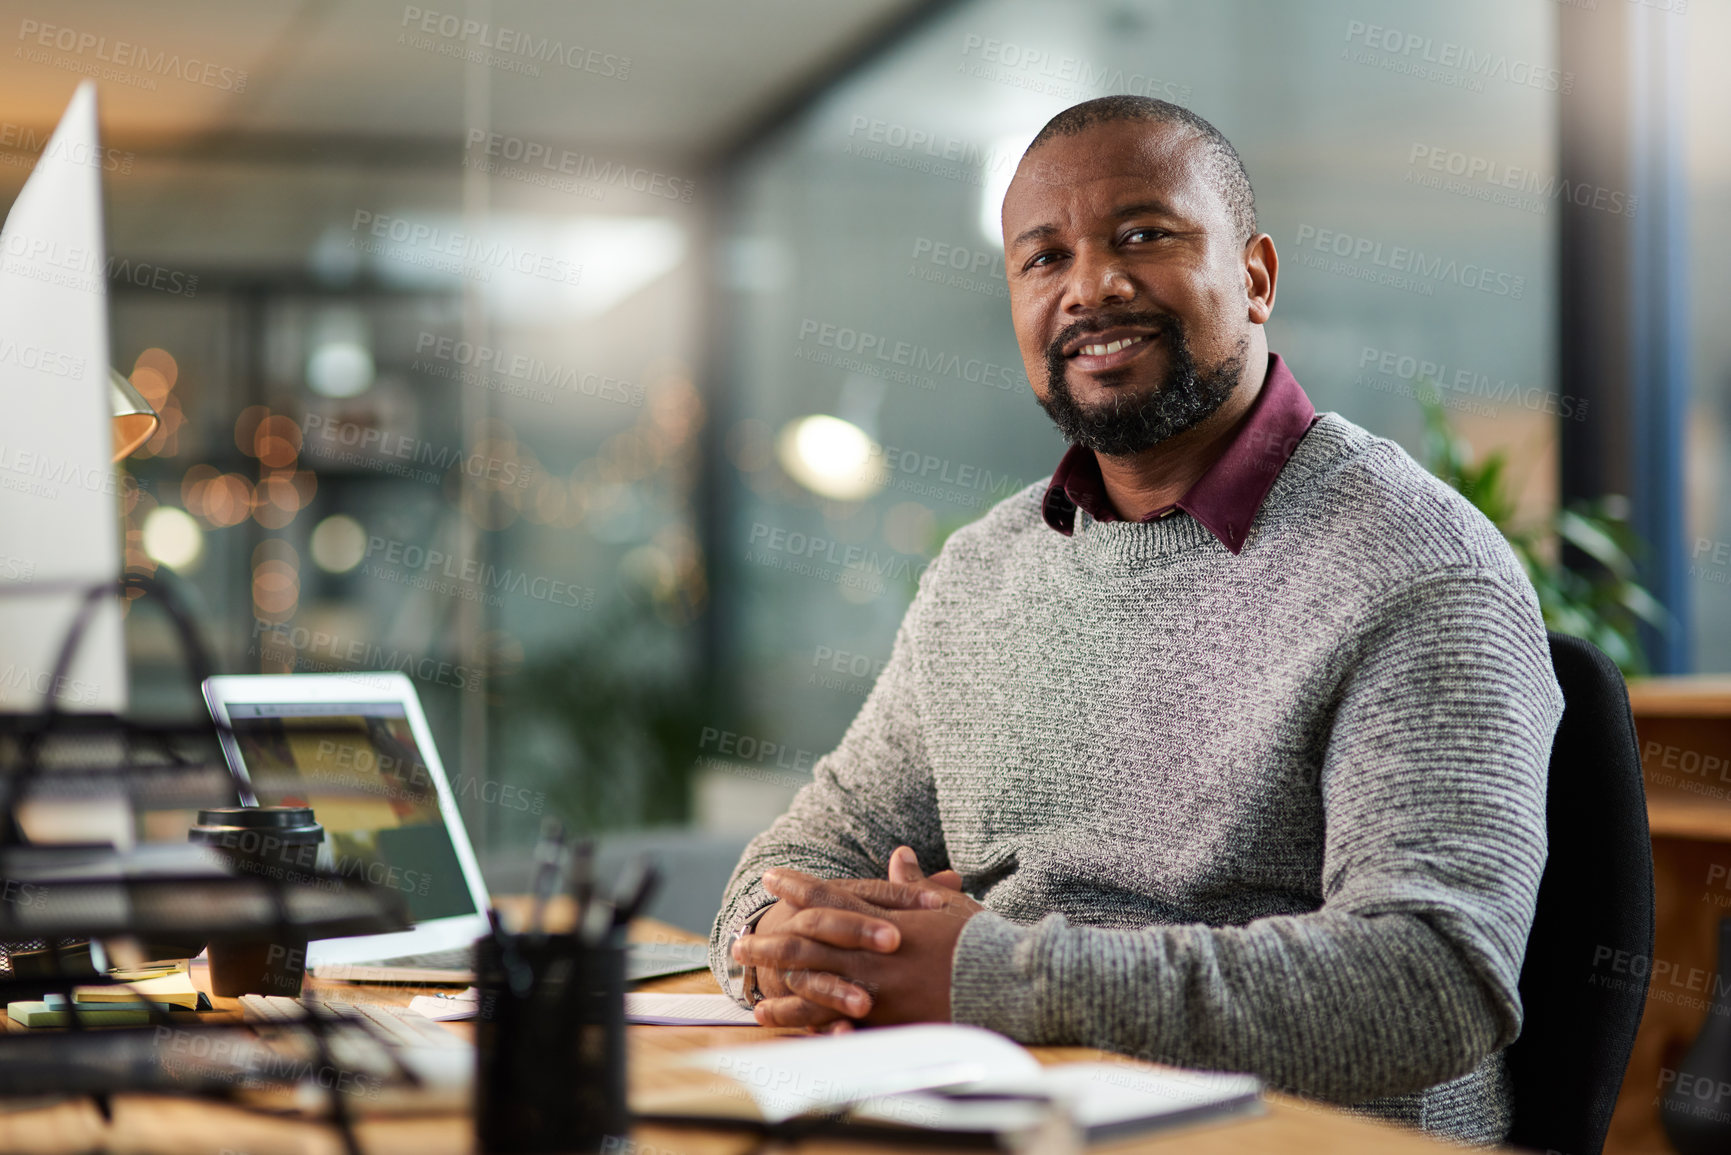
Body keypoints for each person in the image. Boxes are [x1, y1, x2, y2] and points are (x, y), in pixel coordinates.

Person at [710, 95, 1562, 1147]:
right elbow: (801, 850)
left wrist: (986, 973)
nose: (1092, 286)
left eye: (1143, 236)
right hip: (997, 1114)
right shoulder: (986, 568)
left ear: (1255, 278)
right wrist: (787, 945)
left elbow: (1431, 982)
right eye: (1044, 258)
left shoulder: (1417, 567)